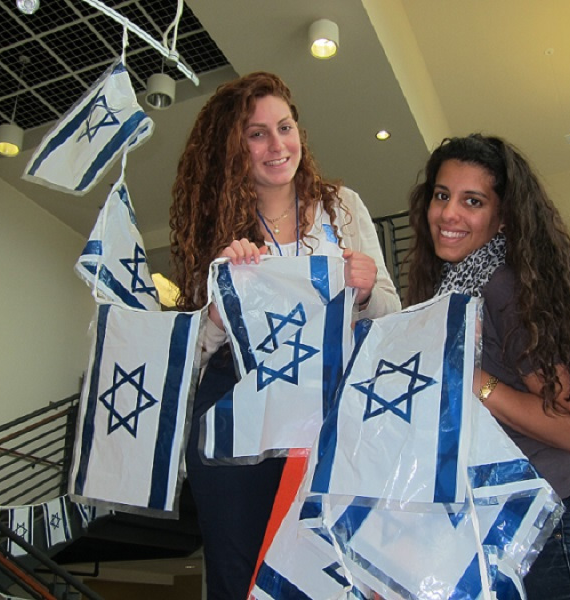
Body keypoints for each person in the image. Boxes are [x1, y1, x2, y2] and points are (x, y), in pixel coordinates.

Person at [169, 72, 400, 600]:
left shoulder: (341, 207)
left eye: (285, 127)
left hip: (330, 398)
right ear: (234, 147)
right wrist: (221, 312)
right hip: (237, 395)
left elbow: (390, 312)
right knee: (242, 569)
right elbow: (191, 351)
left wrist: (364, 292)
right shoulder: (217, 226)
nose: (278, 145)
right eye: (257, 133)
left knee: (333, 566)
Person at [406, 135, 570, 599]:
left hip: (565, 529)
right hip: (518, 532)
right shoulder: (455, 294)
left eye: (472, 201)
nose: (448, 214)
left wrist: (472, 378)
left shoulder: (505, 287)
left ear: (502, 218)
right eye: (442, 195)